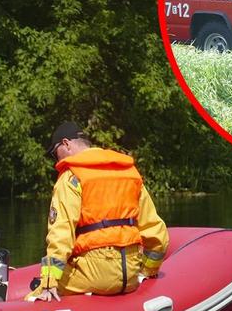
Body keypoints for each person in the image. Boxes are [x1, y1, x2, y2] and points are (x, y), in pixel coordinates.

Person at [27, 122, 169, 301]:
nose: (56, 160)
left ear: (66, 144)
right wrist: (148, 271)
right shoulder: (129, 173)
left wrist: (48, 283)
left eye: (55, 153)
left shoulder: (71, 177)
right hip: (131, 274)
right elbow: (157, 235)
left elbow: (60, 234)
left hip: (95, 273)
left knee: (35, 292)